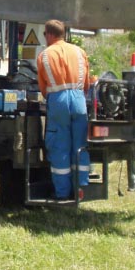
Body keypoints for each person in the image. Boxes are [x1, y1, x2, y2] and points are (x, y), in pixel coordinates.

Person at [37, 19, 90, 200]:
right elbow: (87, 83)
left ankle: (62, 194)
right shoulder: (79, 52)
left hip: (58, 100)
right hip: (78, 99)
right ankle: (81, 188)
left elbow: (43, 88)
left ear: (50, 34)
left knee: (60, 145)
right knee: (80, 144)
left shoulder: (44, 55)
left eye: (45, 35)